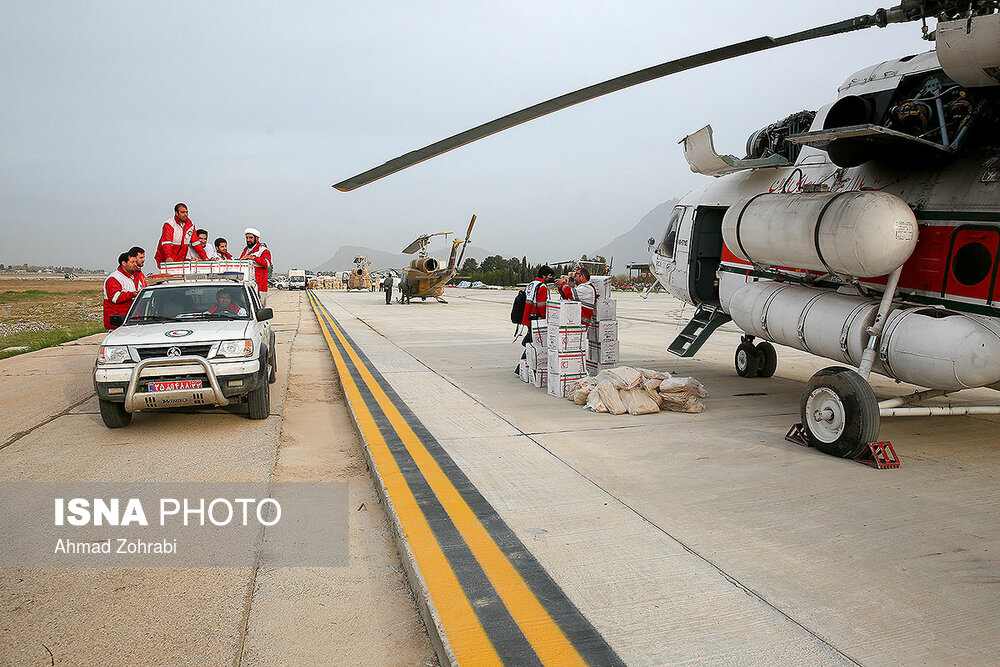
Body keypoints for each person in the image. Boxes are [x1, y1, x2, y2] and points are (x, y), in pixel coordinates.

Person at [518, 265, 554, 373]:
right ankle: (522, 365)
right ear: (543, 275)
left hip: (528, 316)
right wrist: (546, 317)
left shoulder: (531, 284)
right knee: (533, 343)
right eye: (549, 276)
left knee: (532, 340)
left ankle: (524, 366)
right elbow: (542, 305)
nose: (550, 278)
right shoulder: (542, 286)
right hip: (536, 318)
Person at [103, 252, 139, 329]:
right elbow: (115, 298)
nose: (135, 264)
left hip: (128, 320)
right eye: (132, 262)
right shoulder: (114, 278)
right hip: (117, 322)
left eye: (135, 262)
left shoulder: (132, 277)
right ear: (124, 263)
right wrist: (132, 294)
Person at [154, 203, 196, 268]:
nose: (185, 214)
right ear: (176, 213)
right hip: (165, 259)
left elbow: (196, 242)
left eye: (186, 212)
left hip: (179, 259)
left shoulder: (190, 225)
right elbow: (166, 243)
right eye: (183, 212)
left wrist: (205, 258)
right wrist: (168, 257)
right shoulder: (169, 224)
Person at [239, 227, 272, 305]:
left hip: (259, 287)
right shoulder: (246, 250)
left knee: (259, 308)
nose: (248, 240)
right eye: (247, 238)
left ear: (257, 238)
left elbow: (267, 263)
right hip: (247, 286)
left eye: (250, 238)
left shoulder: (263, 251)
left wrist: (253, 257)